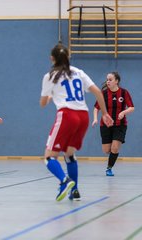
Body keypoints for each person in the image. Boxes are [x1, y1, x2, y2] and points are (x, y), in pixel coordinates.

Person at [40, 44, 113, 201]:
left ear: (52, 58)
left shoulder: (50, 76)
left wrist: (50, 95)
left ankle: (65, 181)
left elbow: (43, 103)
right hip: (83, 116)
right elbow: (98, 92)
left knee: (49, 157)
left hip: (67, 115)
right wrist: (105, 113)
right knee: (69, 154)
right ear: (68, 57)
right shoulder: (79, 72)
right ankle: (75, 191)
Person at [92, 72, 134, 177]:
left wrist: (124, 112)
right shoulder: (104, 93)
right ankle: (111, 157)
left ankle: (109, 168)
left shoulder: (124, 93)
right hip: (106, 125)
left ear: (117, 81)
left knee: (115, 148)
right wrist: (95, 119)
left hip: (120, 125)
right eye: (107, 79)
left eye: (110, 79)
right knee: (107, 150)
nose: (108, 81)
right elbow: (96, 108)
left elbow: (131, 107)